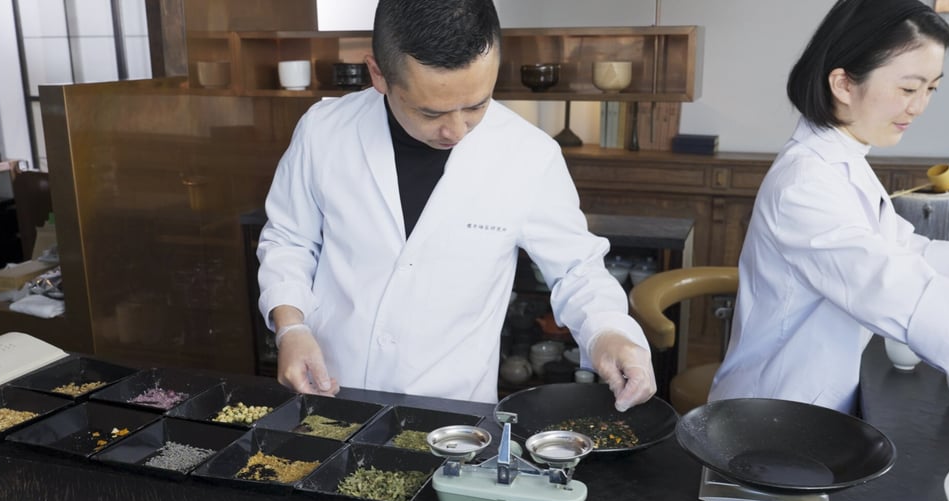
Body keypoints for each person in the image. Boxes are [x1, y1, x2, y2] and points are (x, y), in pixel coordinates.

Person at [256, 0, 655, 411]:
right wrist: (291, 327)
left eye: (477, 104)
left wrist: (608, 332)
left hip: (452, 413)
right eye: (431, 112)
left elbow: (576, 270)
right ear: (378, 74)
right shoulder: (324, 131)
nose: (457, 130)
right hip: (330, 387)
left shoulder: (529, 155)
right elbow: (289, 240)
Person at [710, 0, 949, 414]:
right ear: (843, 84)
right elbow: (889, 286)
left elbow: (899, 251)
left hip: (809, 402)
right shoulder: (805, 183)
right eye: (908, 89)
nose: (919, 107)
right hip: (771, 413)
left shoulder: (843, 158)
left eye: (931, 89)